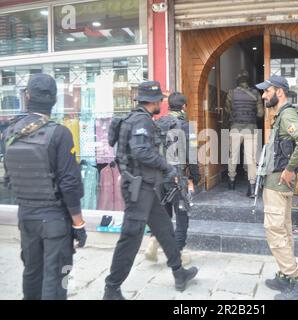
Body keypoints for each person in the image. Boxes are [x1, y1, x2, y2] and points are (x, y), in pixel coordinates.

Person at [103, 81, 198, 300]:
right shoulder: (141, 121)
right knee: (130, 238)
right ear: (154, 101)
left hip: (146, 187)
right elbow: (141, 151)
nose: (162, 105)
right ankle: (112, 288)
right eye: (160, 101)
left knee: (164, 229)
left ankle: (179, 272)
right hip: (139, 189)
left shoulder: (135, 118)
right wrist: (167, 166)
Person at [3, 73, 86, 300]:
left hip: (27, 219)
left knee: (31, 272)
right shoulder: (60, 133)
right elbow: (69, 184)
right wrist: (79, 223)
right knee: (60, 276)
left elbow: (8, 178)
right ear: (55, 100)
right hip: (55, 221)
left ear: (27, 97)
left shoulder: (10, 132)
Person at [255, 75, 298, 300]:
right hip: (278, 183)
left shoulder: (287, 114)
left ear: (279, 92)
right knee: (284, 229)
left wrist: (291, 169)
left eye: (266, 91)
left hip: (278, 183)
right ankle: (285, 275)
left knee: (275, 230)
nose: (263, 95)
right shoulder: (282, 115)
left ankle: (297, 282)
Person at [145, 92, 199, 264]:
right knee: (182, 215)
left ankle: (153, 241)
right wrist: (195, 178)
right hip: (177, 176)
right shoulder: (186, 126)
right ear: (184, 107)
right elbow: (192, 155)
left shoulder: (157, 123)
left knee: (164, 213)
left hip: (159, 176)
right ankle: (178, 255)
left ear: (168, 107)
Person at [225, 70, 264, 196]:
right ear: (248, 80)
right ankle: (252, 187)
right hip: (251, 129)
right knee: (251, 158)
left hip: (235, 128)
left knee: (233, 156)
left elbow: (227, 109)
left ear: (237, 81)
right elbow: (260, 113)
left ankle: (231, 182)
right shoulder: (256, 93)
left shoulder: (231, 93)